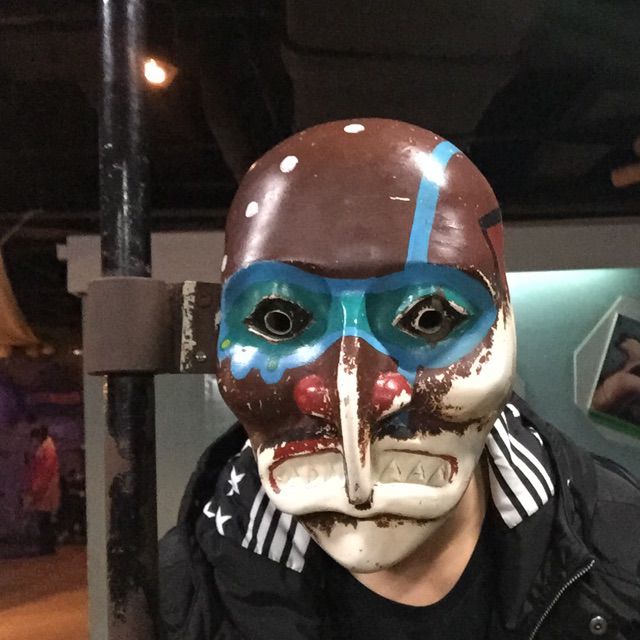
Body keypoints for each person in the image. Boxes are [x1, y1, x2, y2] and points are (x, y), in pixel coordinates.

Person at [159, 119, 640, 639]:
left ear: (507, 324)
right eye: (279, 320)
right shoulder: (175, 598)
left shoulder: (623, 545)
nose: (351, 399)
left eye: (429, 317)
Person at [24, 425, 60, 555]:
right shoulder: (46, 449)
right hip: (45, 488)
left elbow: (45, 472)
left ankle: (47, 547)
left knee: (44, 519)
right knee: (45, 519)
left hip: (46, 490)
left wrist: (36, 488)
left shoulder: (47, 450)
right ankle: (47, 546)